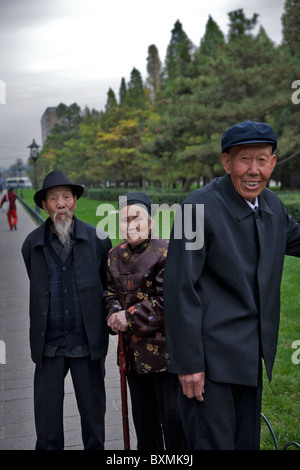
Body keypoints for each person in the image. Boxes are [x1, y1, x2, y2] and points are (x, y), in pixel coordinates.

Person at [163, 120, 300, 450]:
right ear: (227, 162)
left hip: (251, 358)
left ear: (273, 162)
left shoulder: (273, 206)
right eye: (244, 159)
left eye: (262, 160)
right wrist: (189, 364)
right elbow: (179, 288)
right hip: (210, 364)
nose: (254, 170)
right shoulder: (198, 208)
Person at [21, 170, 111, 450]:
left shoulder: (98, 240)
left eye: (66, 197)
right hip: (49, 345)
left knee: (94, 422)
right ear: (45, 205)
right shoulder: (31, 245)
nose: (61, 203)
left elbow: (108, 286)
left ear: (74, 202)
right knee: (47, 428)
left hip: (87, 344)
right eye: (53, 198)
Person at [104, 192, 187, 450]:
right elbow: (108, 291)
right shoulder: (114, 255)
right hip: (132, 356)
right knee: (144, 423)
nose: (130, 225)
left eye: (136, 218)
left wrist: (127, 317)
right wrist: (113, 313)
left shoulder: (167, 251)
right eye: (123, 219)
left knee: (173, 421)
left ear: (150, 222)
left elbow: (168, 302)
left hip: (165, 355)